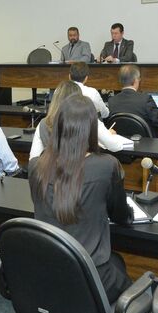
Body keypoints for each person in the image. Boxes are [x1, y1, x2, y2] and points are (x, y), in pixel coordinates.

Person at [29, 94, 133, 302]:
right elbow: (120, 215)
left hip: (48, 270)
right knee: (122, 270)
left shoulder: (35, 166)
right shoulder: (107, 165)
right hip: (92, 276)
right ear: (91, 129)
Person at [30, 80, 128, 158]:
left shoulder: (43, 124)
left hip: (51, 174)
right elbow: (115, 146)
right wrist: (106, 135)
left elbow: (34, 159)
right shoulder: (88, 119)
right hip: (81, 173)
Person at [107, 65, 158, 132]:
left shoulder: (112, 101)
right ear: (136, 80)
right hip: (145, 139)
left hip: (121, 138)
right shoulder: (146, 99)